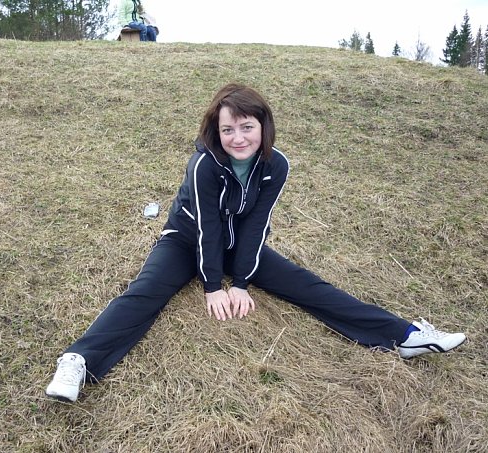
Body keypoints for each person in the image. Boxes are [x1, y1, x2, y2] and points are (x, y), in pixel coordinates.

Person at [45, 84, 467, 403]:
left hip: (237, 244)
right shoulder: (204, 165)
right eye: (228, 129)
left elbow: (256, 225)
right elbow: (207, 228)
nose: (238, 138)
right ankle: (78, 362)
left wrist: (242, 282)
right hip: (185, 240)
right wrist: (213, 286)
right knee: (145, 291)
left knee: (306, 284)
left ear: (263, 127)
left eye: (247, 127)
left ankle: (405, 335)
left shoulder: (275, 165)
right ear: (216, 131)